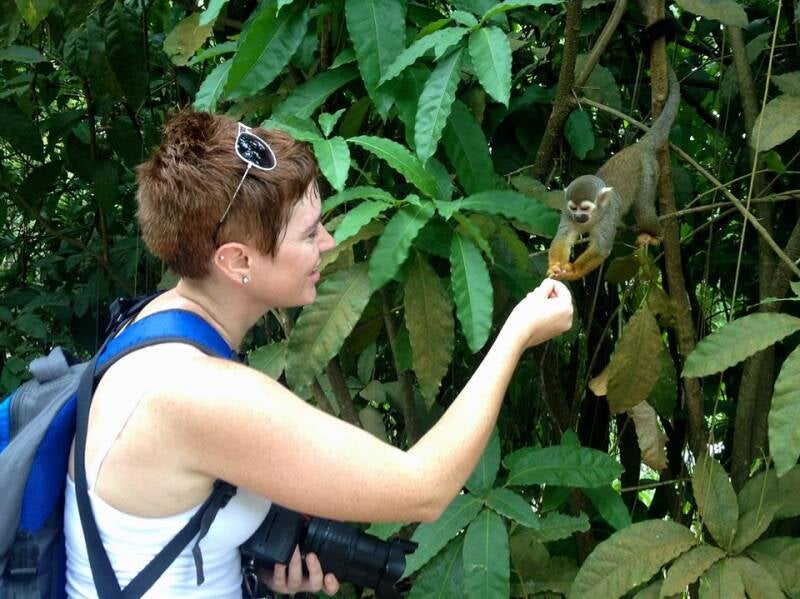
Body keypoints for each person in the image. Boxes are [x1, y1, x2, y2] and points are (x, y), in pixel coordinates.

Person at [64, 110, 574, 598]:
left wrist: (257, 573)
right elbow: (425, 488)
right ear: (236, 259)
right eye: (309, 234)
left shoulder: (152, 323)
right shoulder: (196, 391)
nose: (329, 243)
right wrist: (517, 333)